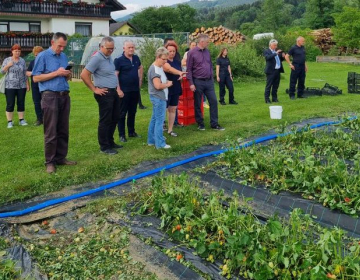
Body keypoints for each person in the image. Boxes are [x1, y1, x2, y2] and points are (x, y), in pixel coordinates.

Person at [32, 32, 77, 174]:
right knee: (51, 131)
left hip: (64, 95)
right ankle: (50, 162)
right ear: (53, 42)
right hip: (49, 96)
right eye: (60, 46)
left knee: (63, 129)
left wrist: (67, 74)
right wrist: (56, 73)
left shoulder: (63, 56)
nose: (62, 49)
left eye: (64, 46)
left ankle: (61, 158)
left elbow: (63, 76)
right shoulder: (42, 56)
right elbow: (36, 78)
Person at [81, 36, 123, 155]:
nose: (111, 51)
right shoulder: (97, 58)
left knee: (115, 117)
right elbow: (84, 74)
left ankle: (110, 141)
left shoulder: (108, 57)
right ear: (101, 46)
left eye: (112, 48)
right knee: (105, 120)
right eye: (108, 48)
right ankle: (104, 147)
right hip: (104, 93)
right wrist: (94, 89)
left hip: (113, 91)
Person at [186, 34, 224, 131]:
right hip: (197, 81)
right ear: (202, 42)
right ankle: (200, 123)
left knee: (213, 101)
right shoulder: (192, 52)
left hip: (209, 81)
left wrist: (211, 76)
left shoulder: (207, 52)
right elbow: (188, 69)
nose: (208, 44)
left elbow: (210, 64)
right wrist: (191, 83)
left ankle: (214, 124)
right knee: (198, 103)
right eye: (207, 42)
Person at [114, 40, 143, 143]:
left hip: (134, 90)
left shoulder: (136, 58)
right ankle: (122, 135)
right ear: (124, 48)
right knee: (122, 113)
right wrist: (118, 89)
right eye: (129, 47)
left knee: (132, 112)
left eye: (132, 47)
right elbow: (115, 75)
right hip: (124, 91)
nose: (131, 49)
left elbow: (140, 67)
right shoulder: (119, 60)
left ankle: (132, 132)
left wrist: (140, 80)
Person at [147, 47, 173, 149]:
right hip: (158, 98)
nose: (165, 61)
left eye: (166, 59)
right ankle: (160, 144)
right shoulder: (154, 69)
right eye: (163, 59)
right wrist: (168, 84)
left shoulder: (159, 67)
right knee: (159, 121)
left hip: (158, 97)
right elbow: (158, 86)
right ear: (158, 57)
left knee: (154, 119)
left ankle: (151, 140)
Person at [1, 44, 30, 128]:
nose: (17, 52)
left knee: (21, 103)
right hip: (9, 86)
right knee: (10, 104)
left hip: (21, 86)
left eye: (19, 51)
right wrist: (8, 65)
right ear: (12, 51)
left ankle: (21, 120)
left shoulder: (22, 61)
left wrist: (27, 84)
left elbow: (25, 73)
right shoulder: (7, 60)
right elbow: (2, 72)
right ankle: (9, 122)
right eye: (15, 51)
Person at [163, 42, 184, 137]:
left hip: (175, 87)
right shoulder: (164, 61)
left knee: (173, 109)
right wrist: (180, 72)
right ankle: (160, 128)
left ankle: (170, 129)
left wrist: (181, 77)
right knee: (163, 108)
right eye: (170, 51)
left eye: (173, 51)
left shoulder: (177, 62)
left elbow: (180, 74)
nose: (172, 53)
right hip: (166, 89)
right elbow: (169, 69)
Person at [182, 41, 210, 109]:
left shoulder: (199, 52)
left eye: (195, 45)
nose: (194, 46)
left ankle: (204, 102)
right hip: (190, 74)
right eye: (192, 45)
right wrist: (193, 64)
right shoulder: (187, 53)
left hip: (199, 74)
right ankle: (196, 105)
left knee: (202, 88)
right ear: (190, 46)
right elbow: (183, 63)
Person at [26, 46, 44, 126]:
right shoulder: (32, 62)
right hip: (35, 85)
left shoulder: (45, 62)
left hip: (44, 85)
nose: (37, 56)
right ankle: (39, 119)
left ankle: (46, 118)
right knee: (37, 102)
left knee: (45, 102)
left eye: (39, 54)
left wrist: (33, 73)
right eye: (36, 55)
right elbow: (27, 72)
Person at [263, 39, 285, 104]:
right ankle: (267, 99)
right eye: (274, 45)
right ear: (270, 45)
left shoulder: (277, 52)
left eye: (276, 45)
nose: (276, 46)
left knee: (276, 85)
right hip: (270, 71)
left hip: (277, 71)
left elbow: (279, 60)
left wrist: (283, 56)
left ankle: (274, 98)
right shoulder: (266, 51)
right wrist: (275, 53)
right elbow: (267, 58)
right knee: (269, 85)